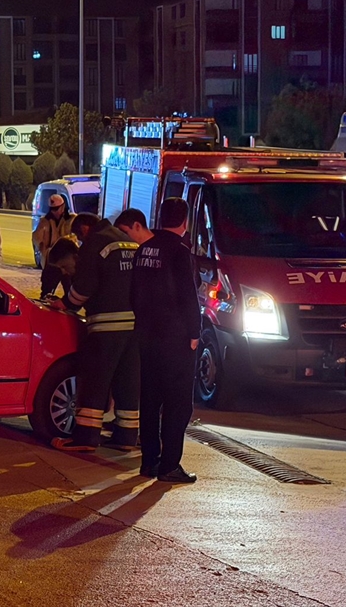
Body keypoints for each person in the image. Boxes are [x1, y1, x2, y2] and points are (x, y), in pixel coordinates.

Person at [49, 214, 141, 453]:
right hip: (133, 325)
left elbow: (85, 286)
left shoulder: (96, 242)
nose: (80, 242)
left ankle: (86, 436)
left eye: (79, 236)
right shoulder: (126, 241)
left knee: (95, 380)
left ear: (85, 228)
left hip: (106, 325)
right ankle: (126, 436)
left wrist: (65, 304)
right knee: (127, 382)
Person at [130, 197, 200, 484]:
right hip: (175, 339)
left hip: (147, 336)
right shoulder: (179, 253)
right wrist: (194, 333)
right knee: (178, 404)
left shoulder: (144, 249)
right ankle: (169, 465)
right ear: (184, 221)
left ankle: (149, 461)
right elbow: (188, 297)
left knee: (150, 399)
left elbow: (134, 294)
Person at [34, 194, 76, 297]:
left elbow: (76, 238)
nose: (54, 212)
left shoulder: (72, 219)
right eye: (52, 209)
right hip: (51, 261)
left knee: (71, 291)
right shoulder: (45, 221)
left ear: (63, 206)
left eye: (56, 209)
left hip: (67, 261)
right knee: (46, 291)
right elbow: (36, 237)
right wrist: (43, 248)